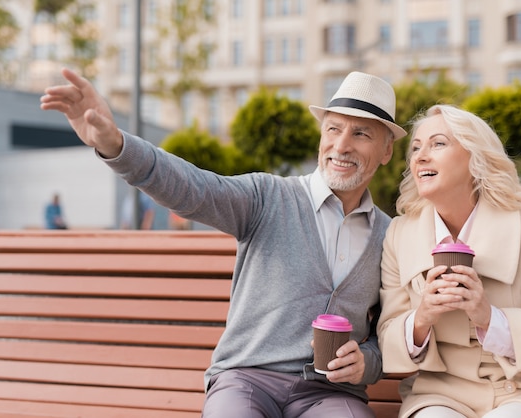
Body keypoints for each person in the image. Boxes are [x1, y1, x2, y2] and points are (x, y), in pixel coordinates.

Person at [40, 68, 407, 417]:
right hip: (248, 378)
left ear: (386, 151)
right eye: (334, 129)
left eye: (361, 134)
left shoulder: (389, 237)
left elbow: (384, 333)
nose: (342, 145)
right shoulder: (267, 197)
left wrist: (366, 361)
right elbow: (191, 188)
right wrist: (116, 145)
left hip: (330, 394)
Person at [376, 104, 521, 418]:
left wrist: (490, 318)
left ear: (475, 159)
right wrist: (421, 318)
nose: (420, 156)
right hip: (441, 395)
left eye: (438, 143)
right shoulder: (399, 234)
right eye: (417, 147)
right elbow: (388, 335)